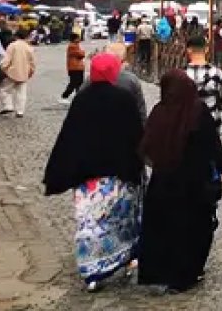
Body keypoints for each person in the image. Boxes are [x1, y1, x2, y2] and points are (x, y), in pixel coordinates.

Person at [43, 53, 145, 291]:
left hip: (89, 177)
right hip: (118, 174)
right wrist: (139, 164)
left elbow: (70, 136)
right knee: (121, 220)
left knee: (90, 223)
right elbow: (135, 134)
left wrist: (61, 170)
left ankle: (91, 271)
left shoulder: (82, 99)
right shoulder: (124, 99)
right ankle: (125, 257)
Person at [138, 70, 222, 294]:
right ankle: (186, 275)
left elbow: (147, 144)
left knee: (163, 227)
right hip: (194, 182)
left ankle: (159, 272)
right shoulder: (197, 112)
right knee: (193, 229)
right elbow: (212, 143)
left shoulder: (159, 112)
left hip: (163, 181)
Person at [184, 35, 222, 146]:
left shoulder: (180, 75)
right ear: (206, 49)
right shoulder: (218, 74)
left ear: (188, 50)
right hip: (212, 126)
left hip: (185, 128)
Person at [0, 30, 36, 118]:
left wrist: (3, 68)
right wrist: (31, 71)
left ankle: (8, 105)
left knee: (5, 90)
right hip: (24, 72)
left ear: (16, 36)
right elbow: (33, 62)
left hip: (12, 71)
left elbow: (7, 59)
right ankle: (20, 111)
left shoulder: (12, 46)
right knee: (21, 92)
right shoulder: (29, 47)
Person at [60, 33, 86, 106]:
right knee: (73, 83)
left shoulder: (76, 46)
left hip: (79, 67)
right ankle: (64, 96)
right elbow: (81, 54)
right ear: (74, 39)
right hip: (74, 67)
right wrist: (83, 51)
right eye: (78, 38)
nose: (79, 39)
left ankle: (79, 97)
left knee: (80, 83)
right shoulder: (72, 46)